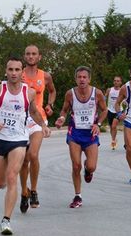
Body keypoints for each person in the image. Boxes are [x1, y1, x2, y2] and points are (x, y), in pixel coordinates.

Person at [0, 57, 51, 235]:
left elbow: (34, 112)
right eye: (10, 70)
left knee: (12, 177)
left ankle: (6, 221)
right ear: (6, 71)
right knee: (0, 183)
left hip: (19, 139)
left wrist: (43, 125)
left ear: (22, 73)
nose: (13, 73)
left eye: (17, 70)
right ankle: (6, 189)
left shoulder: (29, 93)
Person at [54, 66, 107, 208]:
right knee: (75, 165)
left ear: (89, 79)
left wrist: (98, 124)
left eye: (84, 77)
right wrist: (61, 118)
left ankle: (87, 169)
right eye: (79, 77)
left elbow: (105, 110)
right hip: (75, 133)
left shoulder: (97, 93)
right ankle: (78, 196)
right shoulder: (70, 94)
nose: (82, 79)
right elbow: (64, 110)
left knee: (91, 166)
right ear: (76, 79)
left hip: (90, 134)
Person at [19, 45, 56, 213]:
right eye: (28, 54)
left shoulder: (45, 76)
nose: (31, 56)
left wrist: (50, 104)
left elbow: (52, 91)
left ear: (39, 57)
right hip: (20, 121)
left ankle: (33, 190)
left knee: (32, 154)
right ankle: (24, 192)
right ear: (24, 56)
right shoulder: (18, 74)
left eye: (34, 54)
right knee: (22, 160)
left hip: (38, 119)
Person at [105, 76, 123, 150]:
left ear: (121, 82)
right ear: (113, 82)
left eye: (118, 81)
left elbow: (126, 99)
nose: (116, 82)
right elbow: (104, 97)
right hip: (110, 110)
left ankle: (113, 141)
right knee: (111, 127)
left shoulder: (122, 90)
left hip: (118, 111)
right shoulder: (109, 90)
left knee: (114, 126)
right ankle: (113, 139)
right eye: (115, 80)